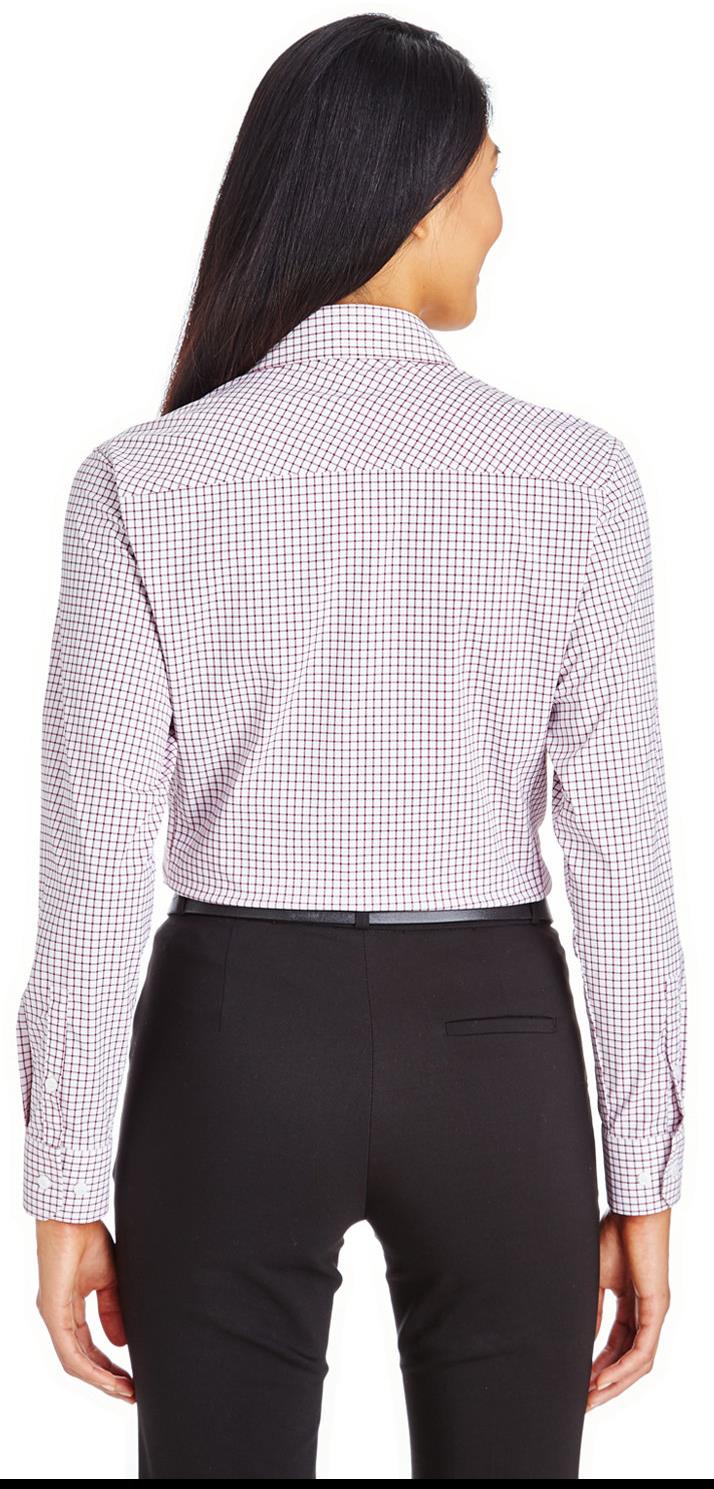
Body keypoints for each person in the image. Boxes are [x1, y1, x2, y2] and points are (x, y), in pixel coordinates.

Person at [17, 12, 687, 1481]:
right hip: (495, 1043)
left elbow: (91, 870)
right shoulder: (577, 477)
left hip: (230, 1041)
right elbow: (622, 863)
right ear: (421, 192)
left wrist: (64, 1180)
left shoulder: (142, 478)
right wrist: (645, 1175)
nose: (501, 216)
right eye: (492, 175)